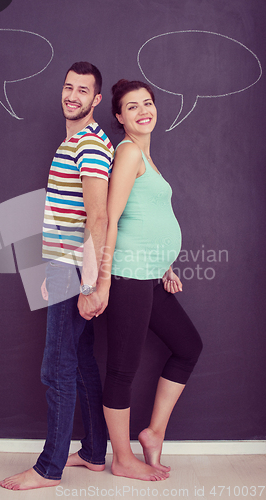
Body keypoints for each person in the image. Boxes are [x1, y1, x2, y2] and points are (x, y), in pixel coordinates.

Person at [0, 62, 114, 491]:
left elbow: (98, 217)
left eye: (83, 90)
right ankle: (93, 452)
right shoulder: (74, 141)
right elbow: (73, 215)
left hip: (73, 269)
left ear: (96, 100)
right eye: (68, 87)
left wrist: (85, 283)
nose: (73, 95)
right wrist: (57, 266)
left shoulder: (88, 145)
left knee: (57, 368)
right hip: (63, 264)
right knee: (81, 361)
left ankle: (49, 468)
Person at [96, 79, 203, 482]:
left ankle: (153, 433)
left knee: (188, 346)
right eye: (132, 106)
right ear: (120, 118)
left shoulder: (145, 154)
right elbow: (110, 215)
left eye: (148, 103)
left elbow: (146, 218)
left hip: (149, 276)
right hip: (126, 275)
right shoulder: (126, 152)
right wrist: (103, 280)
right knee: (123, 370)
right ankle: (122, 459)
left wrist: (165, 264)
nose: (143, 110)